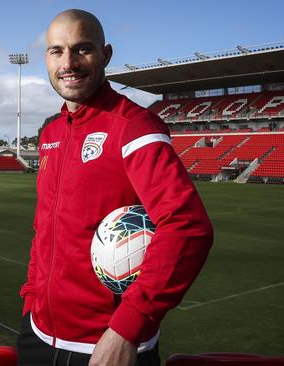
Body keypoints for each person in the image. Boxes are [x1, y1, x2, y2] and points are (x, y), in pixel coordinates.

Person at [17, 9, 214, 366]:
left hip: (105, 349)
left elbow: (187, 227)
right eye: (57, 51)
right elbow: (44, 226)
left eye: (82, 49)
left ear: (105, 55)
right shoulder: (51, 133)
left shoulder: (134, 127)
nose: (69, 62)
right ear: (46, 57)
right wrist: (31, 297)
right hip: (38, 336)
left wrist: (127, 329)